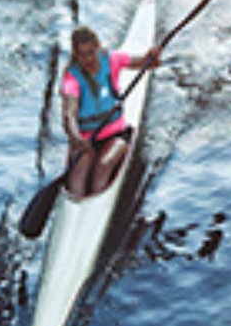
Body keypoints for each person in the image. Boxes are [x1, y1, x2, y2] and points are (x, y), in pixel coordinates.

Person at [61, 26, 160, 198]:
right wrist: (76, 138)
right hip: (85, 139)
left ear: (98, 47)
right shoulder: (72, 77)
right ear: (75, 55)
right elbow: (69, 113)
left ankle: (98, 206)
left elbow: (147, 64)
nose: (87, 59)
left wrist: (153, 56)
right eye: (82, 55)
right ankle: (76, 203)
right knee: (77, 178)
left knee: (103, 166)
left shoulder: (112, 59)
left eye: (91, 52)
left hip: (116, 134)